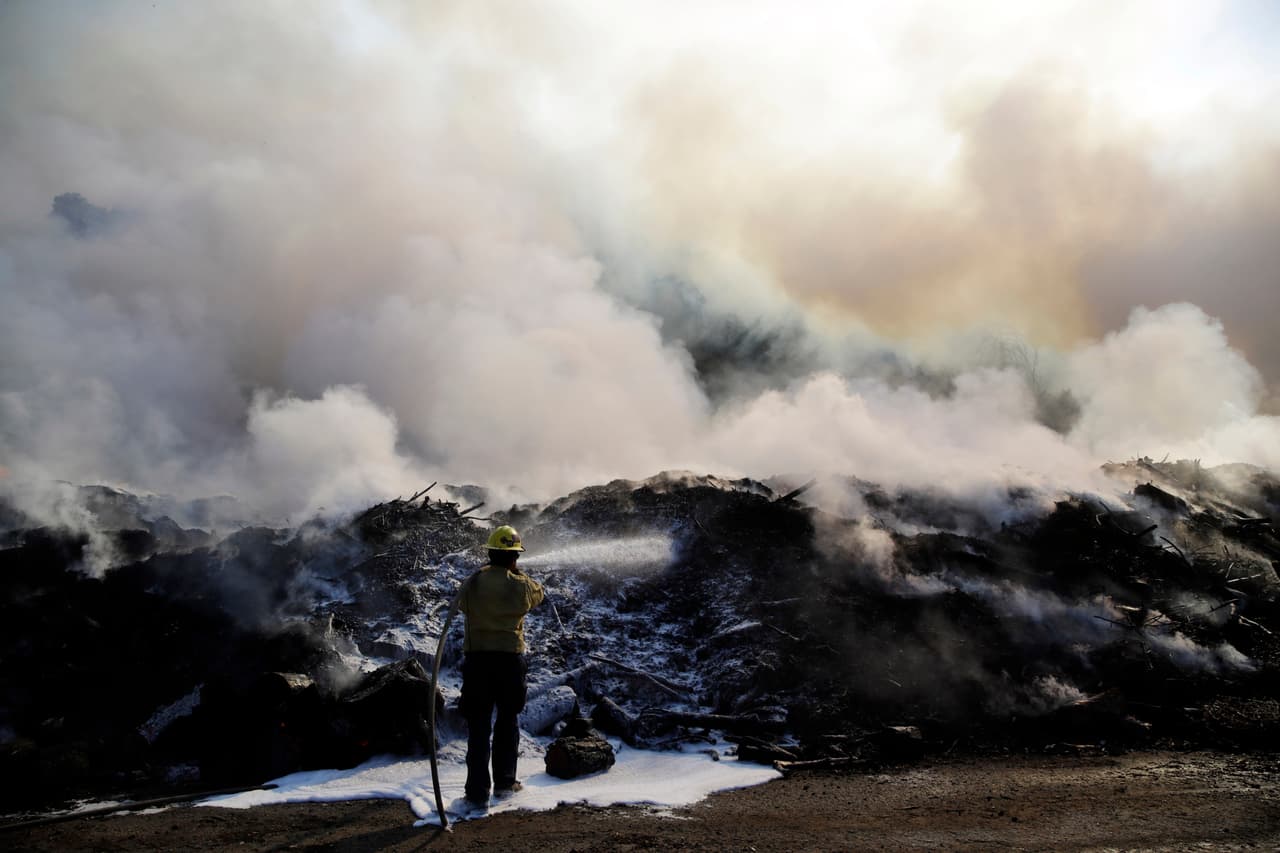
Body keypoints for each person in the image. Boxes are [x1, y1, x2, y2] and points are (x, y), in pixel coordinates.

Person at [457, 524, 544, 806]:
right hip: (508, 662)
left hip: (477, 661)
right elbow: (537, 595)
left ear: (490, 553)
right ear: (514, 557)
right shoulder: (520, 585)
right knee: (508, 721)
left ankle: (476, 791)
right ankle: (506, 783)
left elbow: (461, 604)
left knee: (478, 726)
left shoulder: (473, 582)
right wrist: (516, 575)